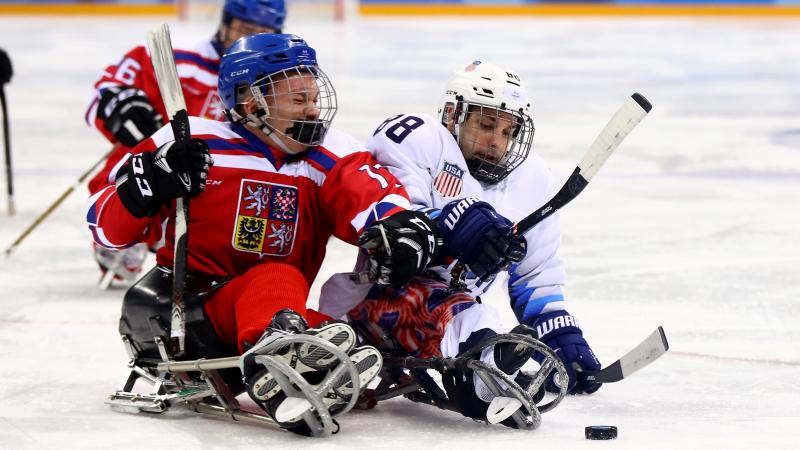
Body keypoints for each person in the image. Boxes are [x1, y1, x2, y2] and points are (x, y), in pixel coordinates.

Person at [87, 35, 521, 435]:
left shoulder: (325, 157)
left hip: (267, 316)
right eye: (298, 99)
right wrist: (149, 184)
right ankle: (282, 359)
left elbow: (368, 191)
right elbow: (105, 228)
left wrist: (398, 227)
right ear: (250, 101)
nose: (314, 110)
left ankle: (301, 358)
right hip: (178, 318)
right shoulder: (191, 142)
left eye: (315, 96)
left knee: (346, 342)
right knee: (277, 276)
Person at [319, 60, 602, 426]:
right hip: (377, 300)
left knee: (475, 314)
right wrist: (451, 224)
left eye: (508, 131)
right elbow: (395, 225)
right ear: (453, 114)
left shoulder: (532, 179)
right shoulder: (418, 138)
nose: (497, 141)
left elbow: (538, 274)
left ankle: (490, 361)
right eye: (485, 125)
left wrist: (562, 334)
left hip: (458, 314)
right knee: (473, 317)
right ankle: (485, 371)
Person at [85, 0, 287, 285]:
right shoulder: (176, 58)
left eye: (259, 33)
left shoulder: (280, 79)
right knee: (132, 154)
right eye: (243, 29)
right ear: (225, 23)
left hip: (222, 189)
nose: (246, 40)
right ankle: (134, 228)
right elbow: (104, 92)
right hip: (163, 171)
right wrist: (119, 108)